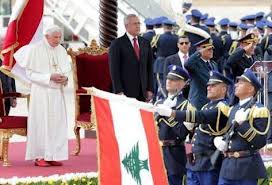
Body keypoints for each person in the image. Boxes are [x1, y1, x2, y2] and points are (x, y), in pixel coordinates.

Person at [155, 68, 270, 185]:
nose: (236, 85)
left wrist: (171, 113)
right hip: (222, 166)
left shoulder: (255, 110)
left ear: (251, 88)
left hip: (241, 166)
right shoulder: (232, 109)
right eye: (208, 85)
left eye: (241, 82)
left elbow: (260, 142)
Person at [156, 71, 232, 185]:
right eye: (208, 85)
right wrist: (189, 152)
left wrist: (171, 113)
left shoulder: (223, 107)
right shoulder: (206, 106)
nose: (209, 88)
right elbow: (192, 135)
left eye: (213, 85)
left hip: (209, 163)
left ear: (223, 89)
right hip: (195, 163)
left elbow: (200, 117)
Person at [22, 25, 71, 167]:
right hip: (41, 94)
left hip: (56, 93)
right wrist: (49, 76)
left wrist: (65, 78)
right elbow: (30, 74)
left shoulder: (61, 50)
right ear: (46, 37)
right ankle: (40, 156)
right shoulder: (35, 50)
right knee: (41, 124)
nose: (58, 40)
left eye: (59, 37)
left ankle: (53, 155)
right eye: (55, 37)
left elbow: (66, 70)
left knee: (56, 125)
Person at [155, 65, 194, 185]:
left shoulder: (187, 106)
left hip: (175, 153)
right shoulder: (159, 102)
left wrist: (168, 113)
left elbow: (182, 133)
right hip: (158, 151)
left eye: (173, 79)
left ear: (183, 84)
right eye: (168, 78)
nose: (168, 81)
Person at [109, 14, 153, 102]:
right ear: (126, 26)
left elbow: (149, 68)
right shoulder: (117, 44)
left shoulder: (145, 43)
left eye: (138, 23)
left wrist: (149, 88)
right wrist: (118, 90)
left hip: (143, 91)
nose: (138, 26)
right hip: (125, 92)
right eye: (134, 24)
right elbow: (114, 70)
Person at [185, 38, 218, 110]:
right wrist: (199, 53)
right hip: (198, 102)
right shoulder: (196, 64)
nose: (211, 51)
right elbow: (187, 64)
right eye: (208, 49)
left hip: (211, 102)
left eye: (212, 49)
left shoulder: (214, 64)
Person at [0, 35, 16, 115]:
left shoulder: (8, 59)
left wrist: (14, 98)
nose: (3, 44)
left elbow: (12, 79)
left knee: (6, 121)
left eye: (4, 42)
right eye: (1, 41)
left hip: (8, 96)